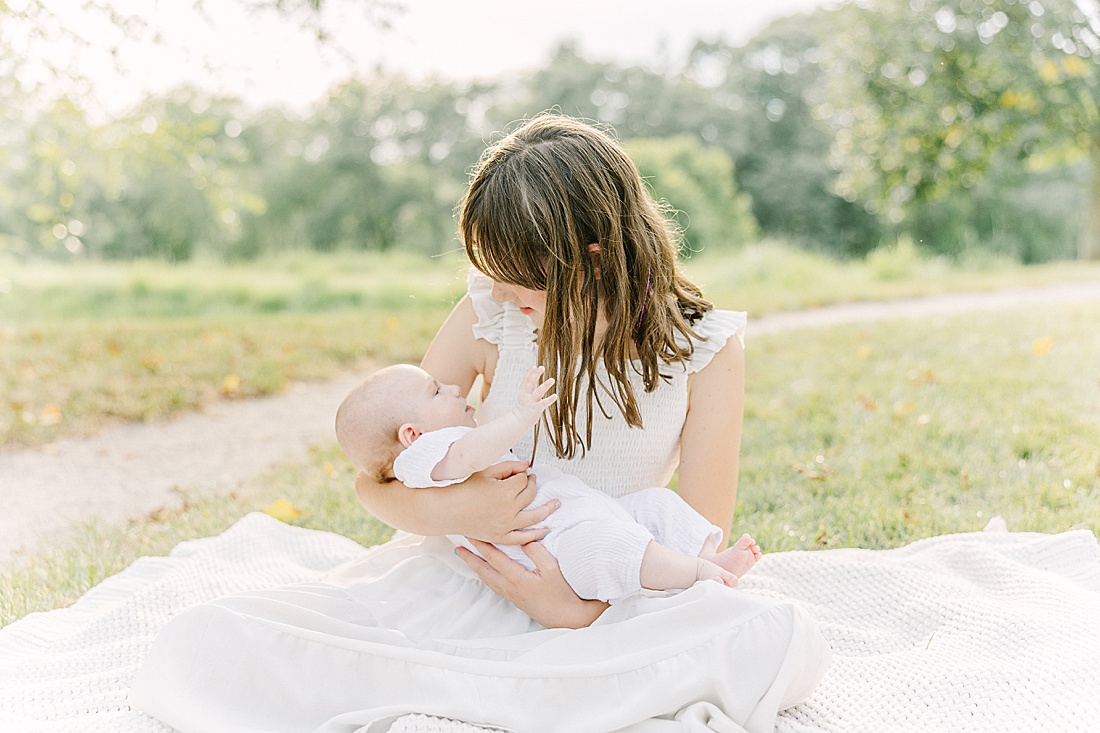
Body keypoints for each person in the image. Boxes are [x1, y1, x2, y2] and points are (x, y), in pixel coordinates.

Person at [132, 113, 830, 733]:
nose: (494, 289)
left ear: (588, 262)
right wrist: (466, 507)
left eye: (514, 275)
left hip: (619, 584)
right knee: (214, 645)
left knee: (774, 637)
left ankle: (558, 662)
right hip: (472, 576)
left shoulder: (700, 348)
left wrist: (572, 610)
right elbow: (377, 483)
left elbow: (697, 543)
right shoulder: (491, 317)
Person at [334, 362, 762, 602]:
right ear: (412, 435)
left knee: (655, 504)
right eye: (435, 392)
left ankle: (708, 558)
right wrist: (519, 416)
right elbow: (469, 454)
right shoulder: (422, 457)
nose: (451, 387)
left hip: (585, 510)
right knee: (611, 549)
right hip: (555, 540)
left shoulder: (438, 442)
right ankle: (698, 576)